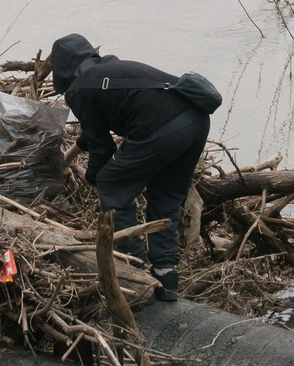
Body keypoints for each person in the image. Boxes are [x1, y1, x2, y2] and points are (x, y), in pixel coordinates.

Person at [49, 33, 217, 302]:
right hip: (196, 121)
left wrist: (92, 177)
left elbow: (102, 148)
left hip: (164, 127)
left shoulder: (80, 88)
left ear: (62, 68)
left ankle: (133, 268)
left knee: (112, 185)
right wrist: (67, 158)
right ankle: (165, 275)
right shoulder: (108, 72)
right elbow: (95, 131)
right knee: (165, 197)